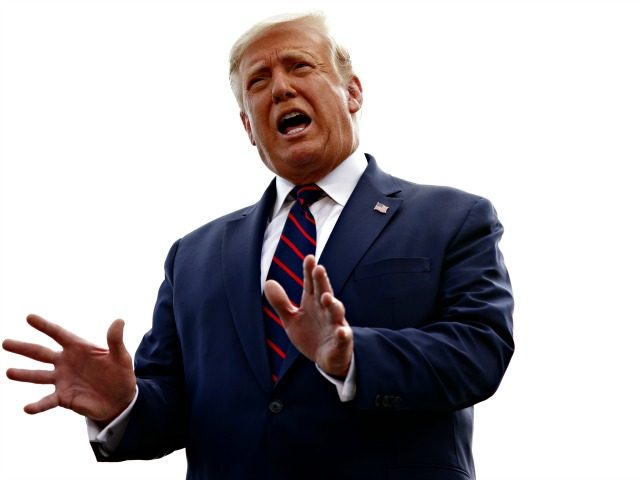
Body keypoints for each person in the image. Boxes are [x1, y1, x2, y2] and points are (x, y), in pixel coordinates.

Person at [3, 12, 514, 480]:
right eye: (258, 82)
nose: (281, 88)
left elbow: (479, 352)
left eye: (299, 66)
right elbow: (171, 409)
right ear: (249, 126)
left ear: (352, 92)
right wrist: (124, 402)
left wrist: (351, 355)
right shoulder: (194, 256)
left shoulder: (453, 218)